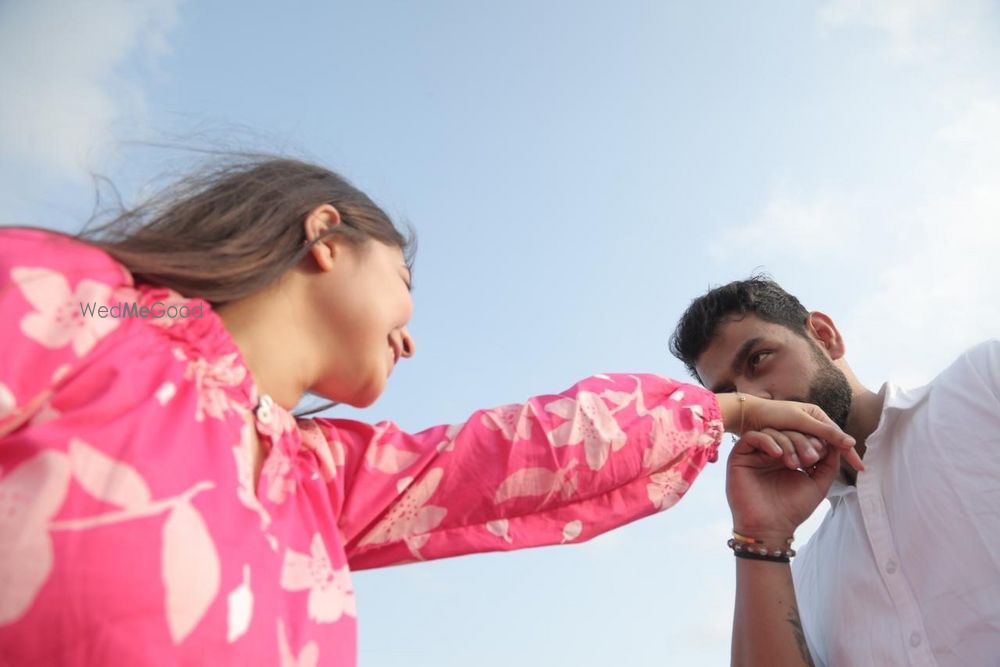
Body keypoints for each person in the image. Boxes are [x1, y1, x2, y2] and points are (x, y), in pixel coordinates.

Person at [0, 158, 856, 666]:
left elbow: (518, 453)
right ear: (325, 238)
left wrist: (730, 411)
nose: (412, 338)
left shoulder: (317, 478)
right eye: (405, 282)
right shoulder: (86, 309)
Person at [670, 276, 1000, 666]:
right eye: (730, 399)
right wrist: (759, 535)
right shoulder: (801, 580)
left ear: (824, 337)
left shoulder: (982, 383)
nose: (754, 402)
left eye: (759, 359)